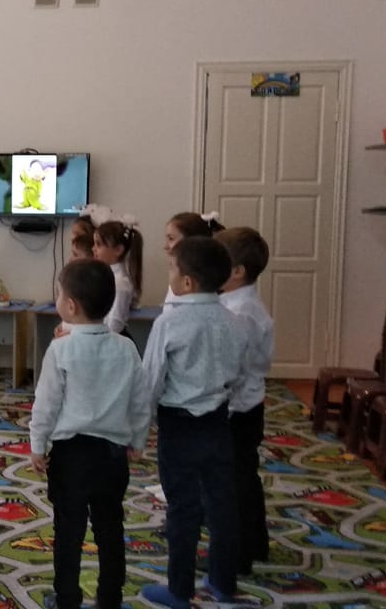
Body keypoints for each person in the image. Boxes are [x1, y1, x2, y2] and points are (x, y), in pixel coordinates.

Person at [29, 259, 150, 609]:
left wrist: (37, 444)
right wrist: (138, 439)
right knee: (110, 527)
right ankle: (110, 597)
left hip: (71, 456)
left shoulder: (61, 348)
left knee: (68, 531)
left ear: (70, 306)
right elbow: (140, 400)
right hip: (112, 455)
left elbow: (46, 403)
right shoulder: (126, 347)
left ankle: (67, 597)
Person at [139, 236, 247, 609]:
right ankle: (222, 581)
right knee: (222, 504)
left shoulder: (169, 322)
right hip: (218, 423)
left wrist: (141, 428)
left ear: (186, 282)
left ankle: (179, 590)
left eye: (172, 268)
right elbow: (241, 375)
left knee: (183, 508)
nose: (169, 273)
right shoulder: (235, 321)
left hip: (178, 426)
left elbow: (151, 379)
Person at [215, 227, 274, 575]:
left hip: (238, 408)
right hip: (242, 404)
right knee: (242, 477)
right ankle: (254, 542)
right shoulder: (234, 303)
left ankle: (237, 555)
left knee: (234, 482)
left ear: (237, 271)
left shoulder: (243, 312)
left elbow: (233, 365)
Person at [160, 211, 224, 312]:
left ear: (192, 242)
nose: (165, 246)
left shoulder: (207, 281)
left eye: (171, 239)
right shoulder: (177, 279)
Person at [92, 219, 144, 336]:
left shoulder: (120, 283)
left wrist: (95, 340)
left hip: (111, 340)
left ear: (118, 250)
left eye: (98, 244)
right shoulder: (104, 276)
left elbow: (115, 324)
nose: (93, 249)